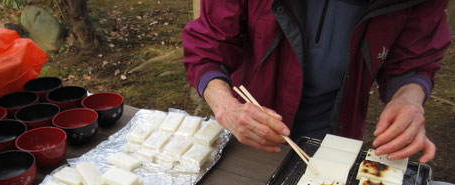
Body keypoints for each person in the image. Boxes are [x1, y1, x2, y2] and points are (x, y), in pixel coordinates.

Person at [183, 0, 451, 163]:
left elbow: (414, 61)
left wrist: (409, 98)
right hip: (251, 129)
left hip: (338, 132)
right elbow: (209, 42)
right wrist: (226, 107)